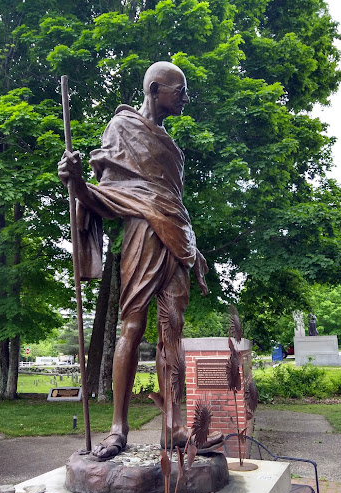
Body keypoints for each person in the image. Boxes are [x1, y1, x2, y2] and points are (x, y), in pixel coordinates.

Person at [58, 62, 222, 459]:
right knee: (131, 326)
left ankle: (174, 428)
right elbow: (106, 196)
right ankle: (117, 428)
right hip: (142, 239)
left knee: (173, 333)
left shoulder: (173, 149)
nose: (185, 97)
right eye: (178, 89)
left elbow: (173, 204)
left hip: (177, 242)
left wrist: (190, 244)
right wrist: (77, 183)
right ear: (154, 89)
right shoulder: (122, 131)